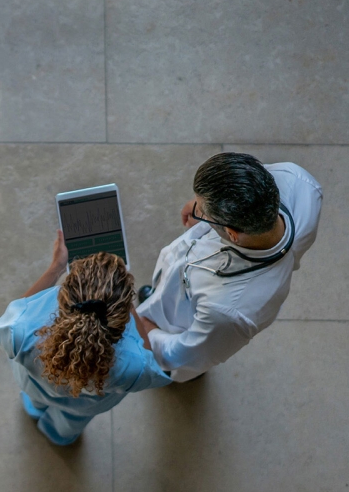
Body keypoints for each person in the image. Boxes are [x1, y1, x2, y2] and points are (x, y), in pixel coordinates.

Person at [133, 152, 323, 382]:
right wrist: (202, 204)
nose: (195, 210)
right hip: (186, 280)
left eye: (202, 211)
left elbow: (184, 354)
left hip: (180, 326)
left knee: (172, 345)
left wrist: (147, 331)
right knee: (162, 291)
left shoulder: (226, 312)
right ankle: (155, 297)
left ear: (232, 234)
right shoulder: (299, 182)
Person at [0, 234, 171, 446]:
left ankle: (34, 409)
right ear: (121, 317)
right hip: (85, 406)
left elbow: (17, 312)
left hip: (35, 386)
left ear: (63, 296)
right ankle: (58, 435)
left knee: (34, 399)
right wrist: (130, 308)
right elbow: (149, 358)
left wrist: (56, 267)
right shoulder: (134, 366)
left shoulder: (23, 330)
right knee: (71, 422)